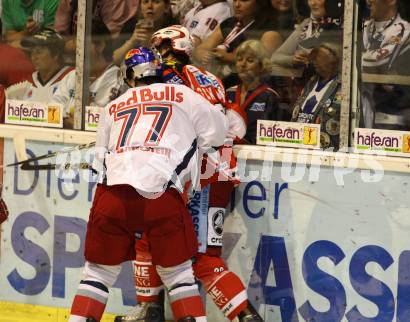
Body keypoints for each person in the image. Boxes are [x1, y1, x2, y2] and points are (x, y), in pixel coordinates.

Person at [69, 46, 228, 322]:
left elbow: (99, 161)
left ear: (129, 76)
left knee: (97, 274)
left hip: (112, 195)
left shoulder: (113, 106)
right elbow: (218, 135)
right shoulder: (184, 95)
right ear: (159, 70)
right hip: (161, 194)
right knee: (179, 277)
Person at [114, 26, 262, 322]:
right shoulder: (211, 78)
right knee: (192, 251)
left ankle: (150, 311)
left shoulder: (165, 76)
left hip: (191, 174)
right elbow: (236, 125)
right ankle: (245, 317)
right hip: (220, 171)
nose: (157, 54)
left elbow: (152, 117)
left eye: (159, 46)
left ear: (169, 46)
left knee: (156, 240)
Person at [193, 0, 283, 87]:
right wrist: (207, 56)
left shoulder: (269, 31)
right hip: (217, 83)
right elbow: (201, 49)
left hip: (247, 89)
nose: (237, 5)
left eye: (244, 0)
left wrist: (227, 57)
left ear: (260, 3)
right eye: (235, 0)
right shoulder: (230, 23)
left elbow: (263, 67)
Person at [52, 19, 121, 128]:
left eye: (82, 44)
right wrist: (69, 121)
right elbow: (52, 111)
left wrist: (80, 120)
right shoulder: (71, 76)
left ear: (100, 46)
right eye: (76, 44)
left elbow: (112, 123)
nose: (76, 50)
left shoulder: (119, 80)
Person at [360, 0, 410, 130]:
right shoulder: (363, 26)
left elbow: (374, 61)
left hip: (389, 111)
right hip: (359, 103)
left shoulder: (402, 28)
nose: (368, 1)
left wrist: (357, 56)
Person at [226, 39, 283, 144]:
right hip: (227, 152)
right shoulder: (228, 93)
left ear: (261, 66)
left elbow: (274, 137)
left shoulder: (269, 96)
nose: (243, 64)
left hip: (256, 154)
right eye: (239, 59)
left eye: (250, 60)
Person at [271, 0, 342, 78]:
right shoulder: (307, 24)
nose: (312, 3)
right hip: (308, 83)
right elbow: (276, 58)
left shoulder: (347, 24)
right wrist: (293, 60)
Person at [291, 42, 342, 150]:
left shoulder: (342, 87)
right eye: (315, 58)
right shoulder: (311, 81)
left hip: (323, 148)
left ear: (333, 62)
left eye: (320, 58)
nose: (315, 61)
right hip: (298, 143)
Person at [17, 28, 74, 103]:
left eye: (39, 52)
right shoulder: (26, 83)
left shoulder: (72, 77)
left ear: (56, 53)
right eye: (32, 52)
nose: (34, 57)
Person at [112, 0, 177, 65]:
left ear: (166, 7)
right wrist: (132, 40)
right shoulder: (132, 25)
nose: (149, 6)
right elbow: (116, 61)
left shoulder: (173, 29)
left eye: (156, 2)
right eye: (145, 2)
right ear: (140, 7)